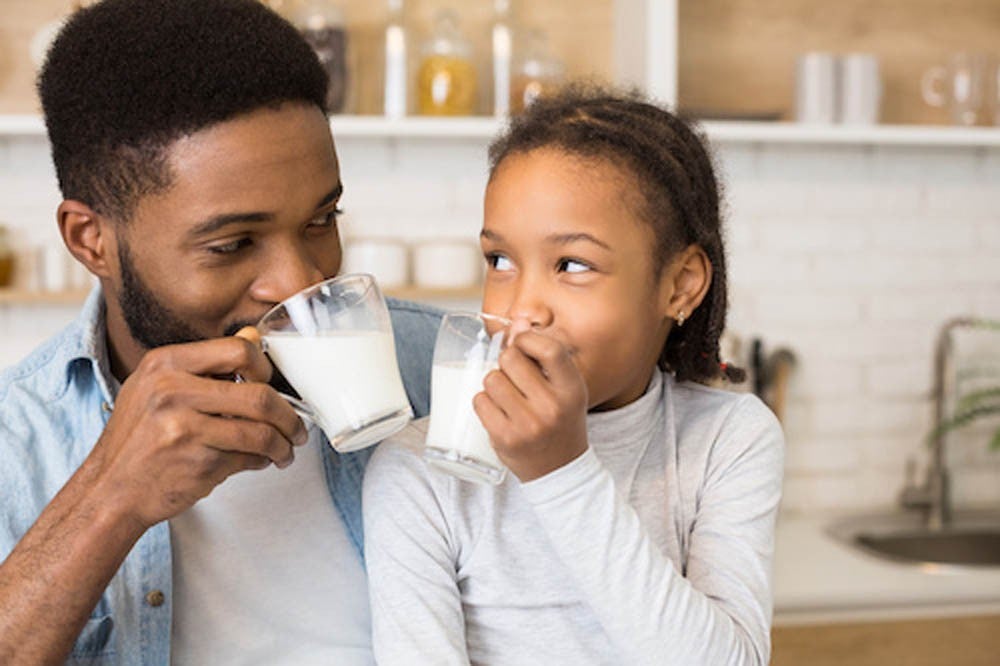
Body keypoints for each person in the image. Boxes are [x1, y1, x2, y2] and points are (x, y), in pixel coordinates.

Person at [0, 0, 440, 663]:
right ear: (92, 242)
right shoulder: (17, 439)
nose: (298, 281)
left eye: (322, 219)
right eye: (233, 244)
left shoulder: (446, 370)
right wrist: (110, 498)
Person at [363, 86, 785, 665]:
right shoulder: (421, 468)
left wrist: (561, 473)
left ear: (680, 284)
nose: (525, 308)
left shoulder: (727, 440)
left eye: (573, 265)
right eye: (500, 261)